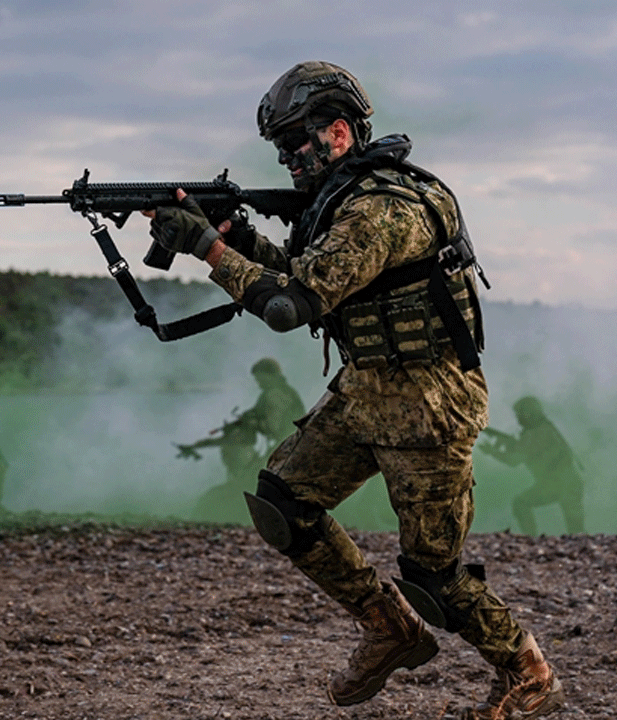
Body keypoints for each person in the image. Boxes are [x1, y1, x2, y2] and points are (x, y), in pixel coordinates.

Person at [145, 61, 562, 719]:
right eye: (279, 146)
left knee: (435, 577)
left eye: (294, 142)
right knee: (284, 503)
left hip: (427, 403)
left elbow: (290, 306)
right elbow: (305, 274)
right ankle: (389, 627)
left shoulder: (381, 208)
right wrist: (237, 238)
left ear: (338, 132)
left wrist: (207, 248)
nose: (286, 158)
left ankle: (529, 670)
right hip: (368, 388)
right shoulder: (342, 202)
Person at [182, 358, 306, 523]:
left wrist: (253, 422)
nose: (259, 384)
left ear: (271, 375)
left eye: (260, 379)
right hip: (288, 447)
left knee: (252, 483)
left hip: (285, 449)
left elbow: (273, 427)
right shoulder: (284, 392)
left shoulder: (275, 395)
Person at [478, 396, 584, 536]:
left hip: (564, 484)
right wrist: (507, 444)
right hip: (560, 483)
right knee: (576, 532)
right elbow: (523, 449)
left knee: (576, 531)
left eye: (520, 414)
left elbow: (514, 460)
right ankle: (531, 539)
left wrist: (492, 452)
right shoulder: (542, 430)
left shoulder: (538, 433)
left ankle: (530, 539)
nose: (518, 418)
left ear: (529, 413)